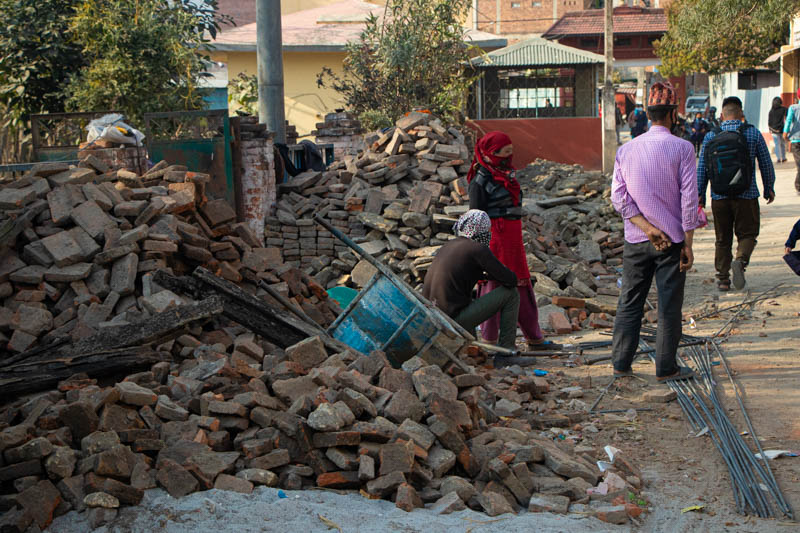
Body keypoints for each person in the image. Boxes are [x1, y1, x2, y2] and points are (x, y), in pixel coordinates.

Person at [610, 81, 700, 382]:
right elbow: (689, 200)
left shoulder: (626, 150)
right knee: (669, 305)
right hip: (672, 239)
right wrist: (687, 242)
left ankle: (621, 364)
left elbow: (618, 198)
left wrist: (647, 228)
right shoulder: (683, 148)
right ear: (673, 114)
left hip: (637, 238)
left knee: (630, 300)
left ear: (647, 114)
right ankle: (666, 368)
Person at [467, 131, 552, 349]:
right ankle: (491, 341)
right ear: (492, 153)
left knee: (521, 282)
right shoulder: (480, 180)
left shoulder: (506, 175)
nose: (509, 157)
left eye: (510, 153)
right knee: (495, 284)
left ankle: (534, 337)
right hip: (495, 239)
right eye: (505, 153)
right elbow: (476, 217)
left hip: (512, 239)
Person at [698, 96, 776, 291]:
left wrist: (700, 194)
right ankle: (740, 261)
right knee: (748, 233)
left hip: (719, 196)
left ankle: (723, 279)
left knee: (722, 239)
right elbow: (766, 163)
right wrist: (769, 188)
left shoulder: (710, 136)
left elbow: (702, 169)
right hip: (747, 195)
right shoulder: (753, 134)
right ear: (741, 113)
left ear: (722, 115)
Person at [422, 210, 520, 349]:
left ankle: (468, 349)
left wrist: (485, 276)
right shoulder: (477, 249)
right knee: (511, 293)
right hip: (450, 321)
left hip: (430, 318)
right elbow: (511, 280)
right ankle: (507, 349)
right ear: (483, 230)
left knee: (467, 299)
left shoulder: (448, 246)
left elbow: (462, 273)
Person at [783, 88, 800, 194]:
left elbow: (789, 120)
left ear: (797, 96)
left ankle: (798, 186)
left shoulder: (793, 108)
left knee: (799, 164)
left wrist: (785, 134)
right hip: (795, 140)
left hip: (795, 140)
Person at [768, 96, 787, 163]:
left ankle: (779, 158)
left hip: (774, 130)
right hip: (782, 129)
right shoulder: (784, 109)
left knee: (777, 144)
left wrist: (770, 129)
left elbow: (769, 122)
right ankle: (784, 157)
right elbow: (786, 118)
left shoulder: (771, 111)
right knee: (783, 144)